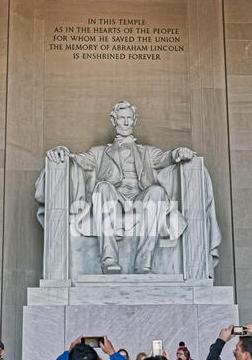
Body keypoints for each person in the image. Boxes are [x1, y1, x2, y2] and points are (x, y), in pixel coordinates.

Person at [38, 101, 221, 275]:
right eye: (121, 118)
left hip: (140, 200)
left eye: (129, 118)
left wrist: (178, 153)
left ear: (134, 120)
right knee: (102, 187)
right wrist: (63, 151)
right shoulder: (99, 152)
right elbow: (79, 159)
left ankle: (144, 263)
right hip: (112, 200)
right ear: (113, 120)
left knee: (157, 191)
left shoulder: (147, 152)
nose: (125, 122)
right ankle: (109, 259)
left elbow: (165, 158)